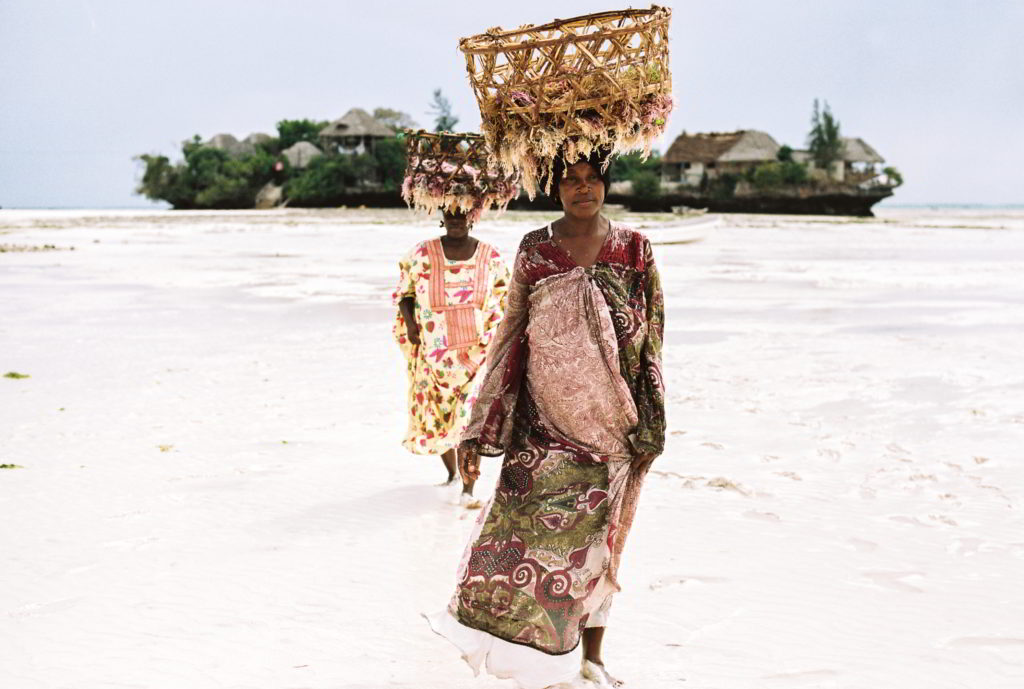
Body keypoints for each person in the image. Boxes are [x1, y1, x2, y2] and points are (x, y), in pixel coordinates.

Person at [425, 152, 665, 688]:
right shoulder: (536, 248)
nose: (584, 189)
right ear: (555, 190)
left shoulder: (635, 249)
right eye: (572, 181)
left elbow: (652, 338)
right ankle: (527, 655)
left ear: (606, 185)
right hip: (543, 429)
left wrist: (653, 415)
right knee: (519, 537)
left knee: (600, 545)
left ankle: (593, 658)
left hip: (614, 427)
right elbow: (511, 332)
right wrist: (479, 423)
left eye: (592, 179)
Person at [393, 209, 510, 506]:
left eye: (463, 214)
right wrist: (411, 324)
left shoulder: (490, 257)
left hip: (477, 356)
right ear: (442, 216)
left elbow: (507, 300)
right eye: (451, 213)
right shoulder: (421, 253)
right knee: (438, 417)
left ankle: (469, 490)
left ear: (473, 218)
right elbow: (405, 294)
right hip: (434, 356)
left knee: (468, 422)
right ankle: (452, 476)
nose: (457, 219)